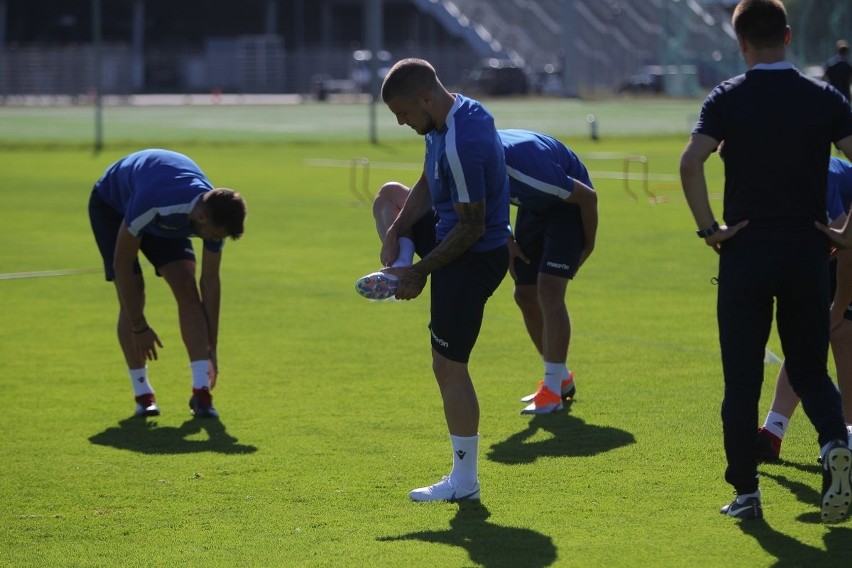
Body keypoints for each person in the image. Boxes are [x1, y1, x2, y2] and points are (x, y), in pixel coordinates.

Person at [679, 0, 852, 522]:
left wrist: (712, 229)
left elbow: (691, 163)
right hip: (806, 249)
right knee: (809, 369)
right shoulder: (824, 96)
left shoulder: (728, 97)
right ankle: (832, 444)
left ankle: (747, 494)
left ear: (741, 43)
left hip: (746, 252)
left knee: (741, 380)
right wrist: (845, 231)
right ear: (789, 36)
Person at [366, 129, 598, 415]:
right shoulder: (463, 157)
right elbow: (479, 205)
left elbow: (588, 198)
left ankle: (551, 390)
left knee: (549, 290)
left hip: (568, 205)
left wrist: (586, 247)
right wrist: (508, 238)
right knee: (524, 294)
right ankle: (561, 378)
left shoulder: (525, 168)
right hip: (532, 205)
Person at [369, 58, 511, 502]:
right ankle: (402, 267)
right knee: (389, 199)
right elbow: (431, 183)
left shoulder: (462, 141)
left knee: (448, 367)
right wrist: (397, 231)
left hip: (474, 257)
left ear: (426, 99)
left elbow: (472, 228)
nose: (401, 122)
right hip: (454, 235)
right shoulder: (447, 118)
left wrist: (420, 272)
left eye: (404, 114)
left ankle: (464, 483)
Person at [88, 149, 247, 419]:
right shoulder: (154, 202)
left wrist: (213, 347)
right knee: (132, 293)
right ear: (202, 218)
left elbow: (209, 282)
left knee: (186, 285)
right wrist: (139, 326)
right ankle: (143, 395)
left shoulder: (212, 212)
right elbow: (122, 264)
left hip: (165, 218)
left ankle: (201, 393)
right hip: (113, 206)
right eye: (215, 235)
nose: (213, 240)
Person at [757, 157, 852, 460]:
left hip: (846, 249)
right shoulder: (767, 177)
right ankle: (772, 433)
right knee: (806, 340)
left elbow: (847, 246)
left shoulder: (816, 177)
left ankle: (847, 436)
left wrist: (839, 307)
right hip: (826, 252)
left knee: (841, 333)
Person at [823, 39, 852, 104]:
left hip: (833, 93)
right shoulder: (848, 66)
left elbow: (824, 79)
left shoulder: (830, 65)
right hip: (845, 94)